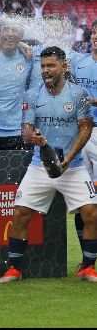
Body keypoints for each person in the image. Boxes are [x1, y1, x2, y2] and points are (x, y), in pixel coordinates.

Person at [0, 47, 97, 283]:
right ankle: (15, 269)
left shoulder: (79, 94)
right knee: (20, 212)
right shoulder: (32, 95)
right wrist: (34, 138)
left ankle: (88, 267)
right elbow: (25, 129)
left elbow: (86, 128)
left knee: (91, 213)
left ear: (64, 67)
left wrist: (69, 158)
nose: (46, 70)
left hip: (72, 167)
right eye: (43, 66)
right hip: (39, 165)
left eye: (51, 65)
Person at [72, 22, 97, 258]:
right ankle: (86, 259)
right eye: (96, 33)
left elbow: (83, 98)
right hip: (81, 132)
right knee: (84, 198)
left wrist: (88, 101)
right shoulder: (80, 62)